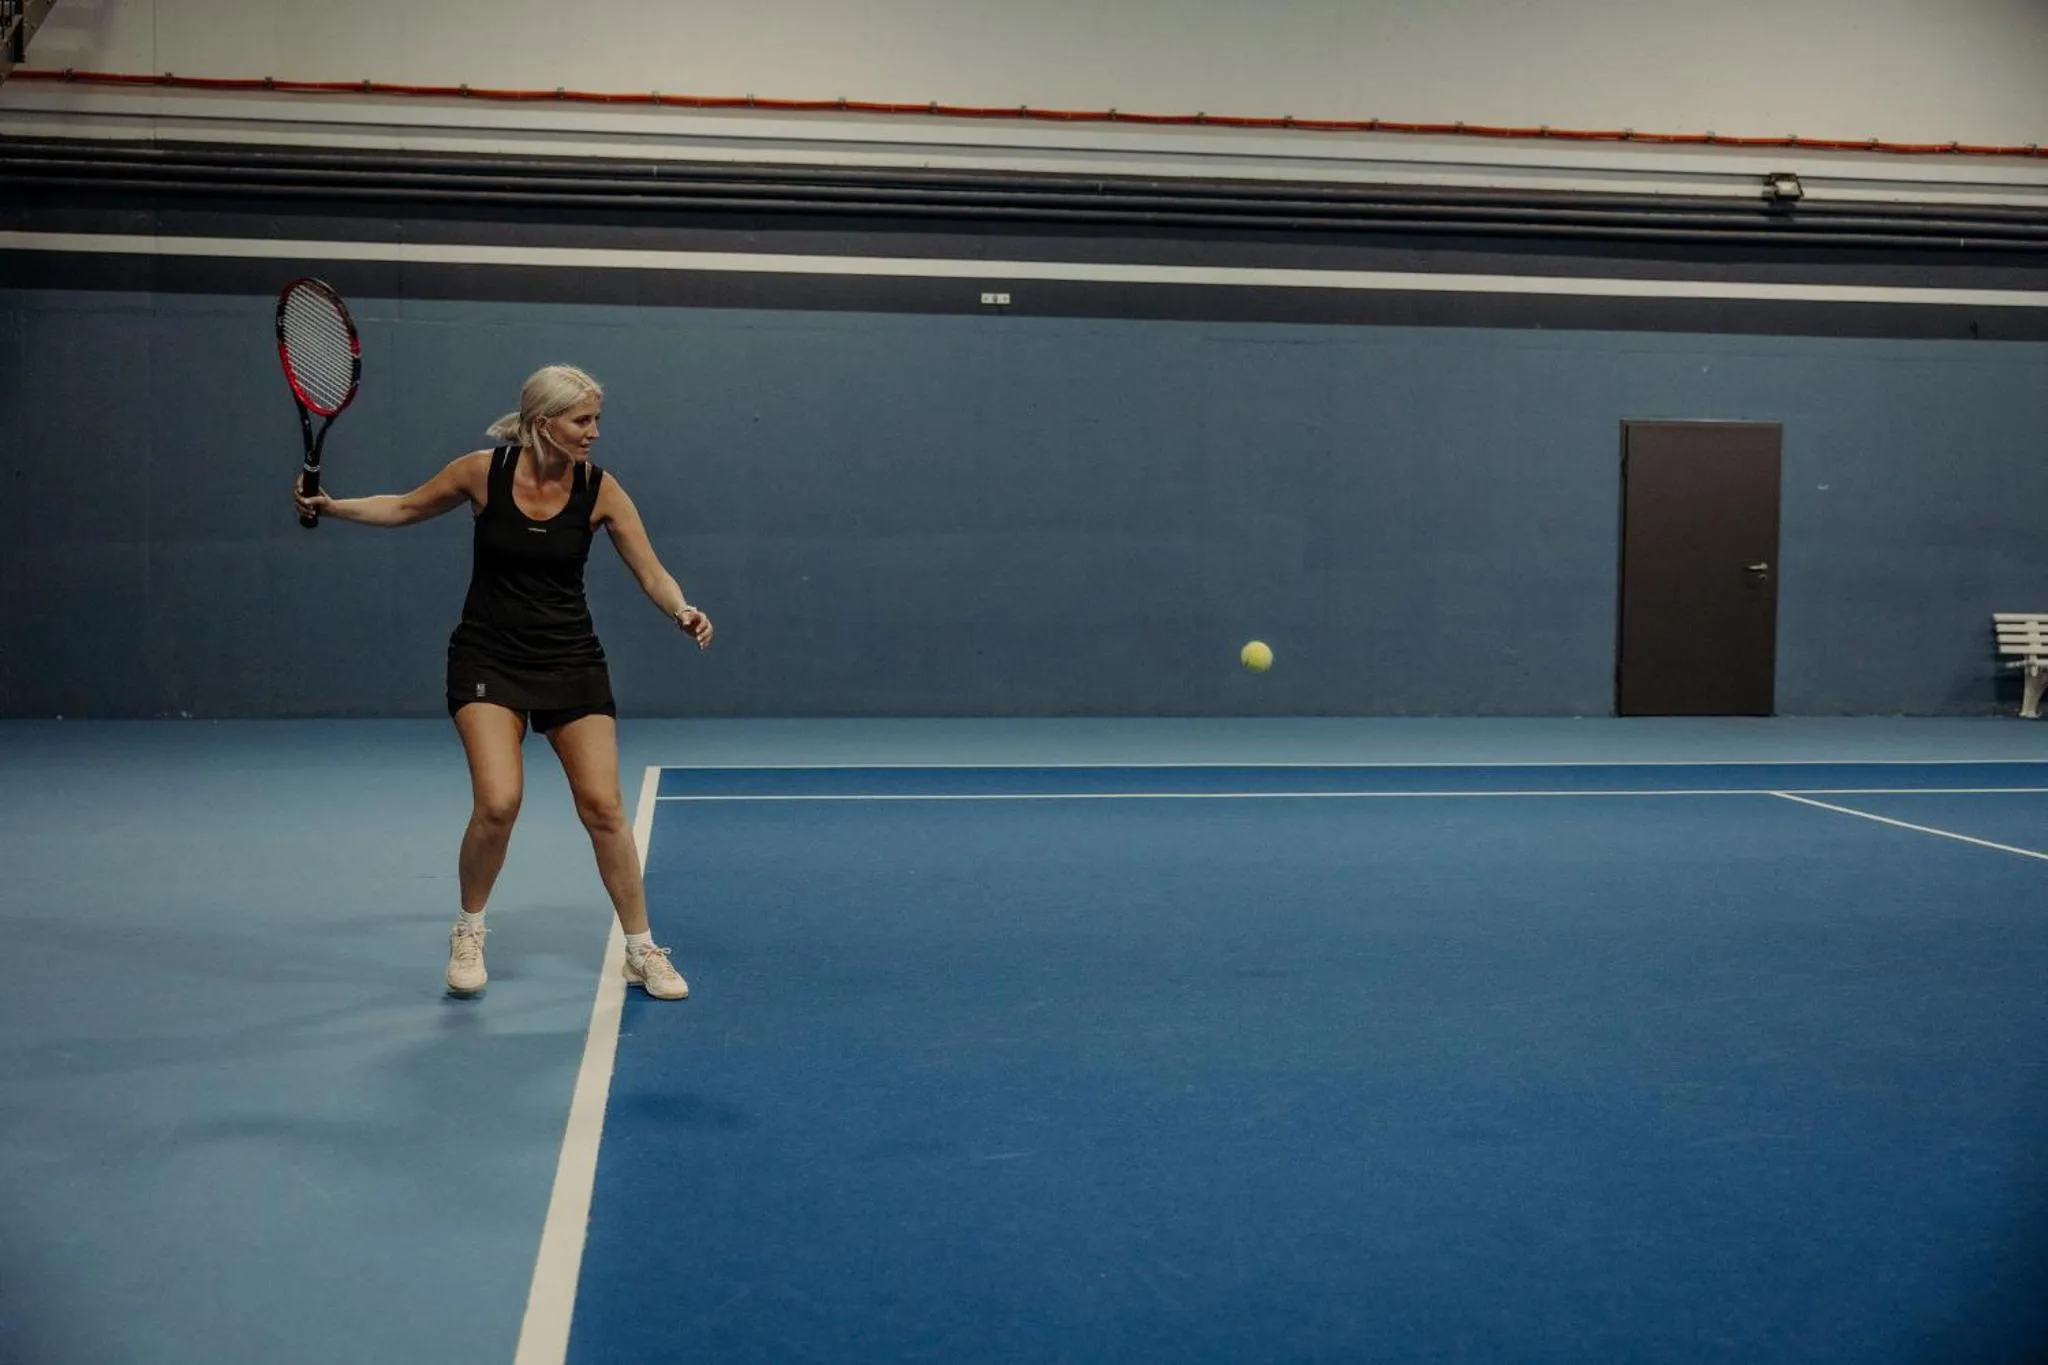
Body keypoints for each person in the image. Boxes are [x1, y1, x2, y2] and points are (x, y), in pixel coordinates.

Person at [294, 364, 711, 1001]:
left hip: (571, 659)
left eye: (596, 419)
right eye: (582, 420)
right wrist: (334, 506)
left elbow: (652, 571)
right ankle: (469, 928)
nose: (594, 432)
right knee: (498, 803)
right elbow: (404, 506)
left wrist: (681, 608)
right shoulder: (479, 472)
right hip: (487, 658)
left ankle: (640, 948)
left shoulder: (600, 489)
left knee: (603, 807)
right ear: (543, 424)